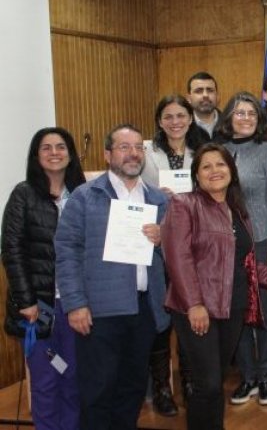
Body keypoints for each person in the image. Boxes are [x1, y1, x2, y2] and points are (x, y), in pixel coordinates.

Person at [55, 124, 169, 429]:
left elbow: (174, 256)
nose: (132, 153)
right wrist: (75, 303)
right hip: (100, 312)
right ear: (108, 155)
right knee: (97, 390)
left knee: (132, 388)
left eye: (137, 147)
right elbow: (66, 252)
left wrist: (163, 239)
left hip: (144, 309)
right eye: (123, 147)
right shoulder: (84, 197)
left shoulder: (158, 200)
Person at [162, 143, 263, 429]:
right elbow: (178, 258)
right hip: (196, 307)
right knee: (206, 383)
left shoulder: (238, 211)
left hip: (233, 305)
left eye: (220, 164)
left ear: (231, 170)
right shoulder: (184, 204)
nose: (214, 171)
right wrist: (194, 304)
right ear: (196, 176)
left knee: (214, 381)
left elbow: (246, 262)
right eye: (206, 166)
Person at [2, 127, 85, 430]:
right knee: (47, 379)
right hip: (40, 310)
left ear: (70, 153)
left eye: (60, 146)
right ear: (36, 156)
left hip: (77, 306)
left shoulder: (82, 194)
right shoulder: (23, 194)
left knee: (73, 376)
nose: (54, 153)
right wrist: (26, 301)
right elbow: (11, 249)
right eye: (46, 148)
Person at [215, 91, 267, 407]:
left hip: (261, 243)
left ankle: (265, 376)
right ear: (229, 117)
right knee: (238, 315)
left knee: (266, 315)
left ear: (258, 119)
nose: (245, 118)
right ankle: (247, 376)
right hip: (226, 245)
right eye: (239, 112)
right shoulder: (216, 151)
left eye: (251, 113)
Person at [142, 95, 209, 415]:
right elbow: (135, 194)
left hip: (194, 246)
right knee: (160, 318)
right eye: (167, 116)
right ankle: (161, 388)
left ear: (190, 118)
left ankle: (190, 383)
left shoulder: (202, 151)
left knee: (188, 314)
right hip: (157, 246)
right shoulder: (146, 154)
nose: (175, 122)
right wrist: (159, 196)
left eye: (181, 115)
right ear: (159, 121)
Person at [186, 71, 220, 139]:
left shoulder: (230, 125)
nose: (205, 95)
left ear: (217, 96)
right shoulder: (181, 128)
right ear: (188, 98)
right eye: (198, 91)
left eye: (210, 90)